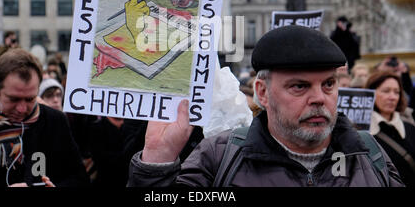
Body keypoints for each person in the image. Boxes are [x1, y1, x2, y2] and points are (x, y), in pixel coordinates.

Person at [128, 25, 403, 187]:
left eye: (329, 84)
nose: (320, 98)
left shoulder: (369, 154)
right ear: (263, 92)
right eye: (300, 86)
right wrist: (157, 162)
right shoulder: (219, 157)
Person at [0, 48, 89, 187]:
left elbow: (79, 179)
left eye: (30, 99)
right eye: (13, 99)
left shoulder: (55, 121)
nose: (22, 109)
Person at [366, 71, 415, 187]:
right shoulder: (363, 134)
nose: (392, 97)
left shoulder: (410, 128)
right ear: (371, 93)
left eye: (397, 92)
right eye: (386, 91)